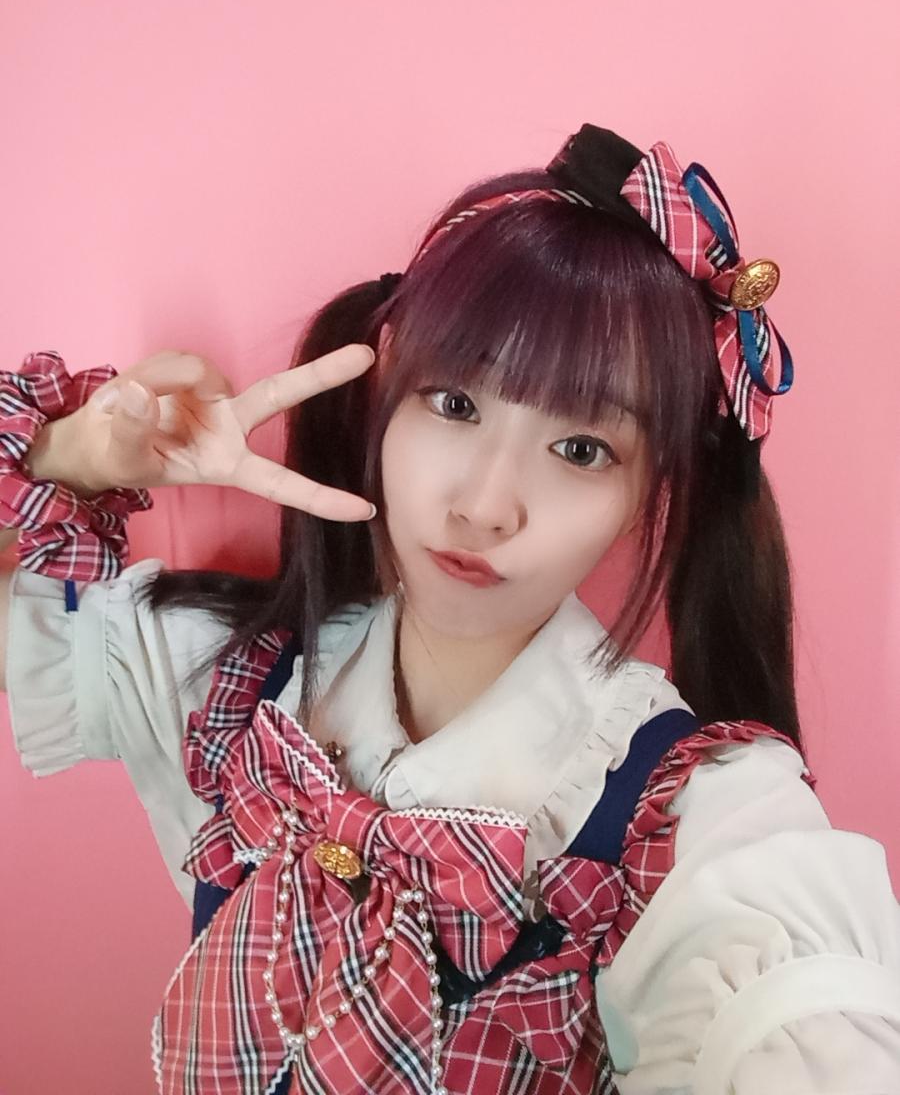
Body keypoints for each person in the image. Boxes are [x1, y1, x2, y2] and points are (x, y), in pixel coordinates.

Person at [2, 123, 899, 1094]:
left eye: (582, 450)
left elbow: (804, 1018)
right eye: (457, 405)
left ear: (653, 488)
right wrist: (68, 456)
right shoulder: (232, 679)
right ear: (385, 384)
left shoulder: (694, 817)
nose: (484, 505)